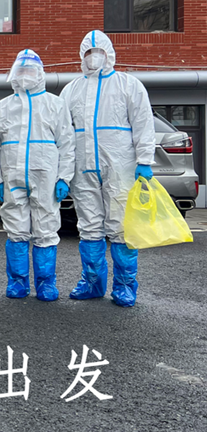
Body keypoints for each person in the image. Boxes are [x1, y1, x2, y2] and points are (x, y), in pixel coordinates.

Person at [59, 30, 155, 308]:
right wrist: (63, 171)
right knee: (89, 225)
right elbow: (63, 133)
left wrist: (144, 161)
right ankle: (92, 283)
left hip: (120, 166)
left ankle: (124, 286)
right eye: (89, 53)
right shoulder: (71, 90)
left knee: (121, 226)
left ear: (109, 53)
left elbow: (143, 123)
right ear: (82, 56)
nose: (94, 57)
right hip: (83, 167)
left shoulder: (128, 85)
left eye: (98, 52)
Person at [0, 50, 75, 301]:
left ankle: (46, 284)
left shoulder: (55, 104)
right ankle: (17, 283)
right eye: (21, 71)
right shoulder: (3, 106)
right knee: (16, 229)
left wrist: (64, 177)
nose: (25, 75)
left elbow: (66, 142)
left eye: (29, 71)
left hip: (45, 176)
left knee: (46, 228)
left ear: (39, 74)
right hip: (12, 176)